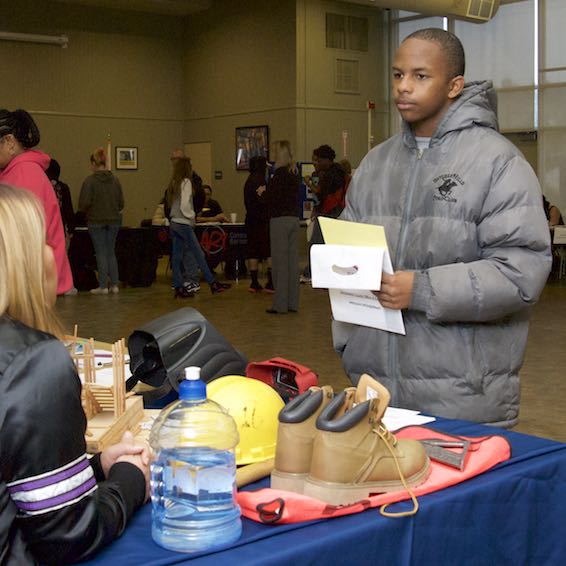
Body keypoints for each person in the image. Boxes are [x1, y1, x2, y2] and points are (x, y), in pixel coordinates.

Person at [333, 28, 551, 428]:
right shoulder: (375, 165)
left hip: (462, 399)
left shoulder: (497, 162)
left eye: (420, 76)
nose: (404, 87)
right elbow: (348, 255)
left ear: (455, 85)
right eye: (398, 75)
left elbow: (521, 273)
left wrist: (422, 289)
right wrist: (349, 343)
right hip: (377, 396)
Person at [0, 184, 150, 565]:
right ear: (21, 262)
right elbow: (68, 534)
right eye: (47, 242)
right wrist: (131, 480)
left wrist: (91, 470)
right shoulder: (32, 364)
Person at [0, 108, 73, 295]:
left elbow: (21, 239)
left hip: (29, 283)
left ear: (8, 142)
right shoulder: (16, 172)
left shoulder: (24, 175)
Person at [165, 156, 230, 297]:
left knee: (176, 257)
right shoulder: (187, 182)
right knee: (199, 253)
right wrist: (191, 216)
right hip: (184, 223)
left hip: (174, 223)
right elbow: (184, 206)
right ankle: (213, 283)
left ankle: (178, 286)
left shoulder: (174, 182)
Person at [79, 148, 124, 295]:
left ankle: (103, 286)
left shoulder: (90, 181)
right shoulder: (115, 180)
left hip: (96, 221)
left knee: (100, 253)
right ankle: (115, 285)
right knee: (111, 251)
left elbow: (84, 203)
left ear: (93, 163)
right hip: (114, 220)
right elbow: (121, 203)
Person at [265, 141, 300, 314]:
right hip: (294, 220)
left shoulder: (277, 175)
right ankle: (293, 302)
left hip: (279, 220)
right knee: (293, 264)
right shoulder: (294, 174)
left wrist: (263, 193)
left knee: (280, 263)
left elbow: (271, 199)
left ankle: (279, 305)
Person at [244, 156, 273, 293]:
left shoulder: (248, 180)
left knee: (253, 251)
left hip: (250, 219)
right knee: (268, 250)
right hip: (262, 221)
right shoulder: (260, 181)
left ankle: (254, 282)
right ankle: (270, 282)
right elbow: (264, 200)